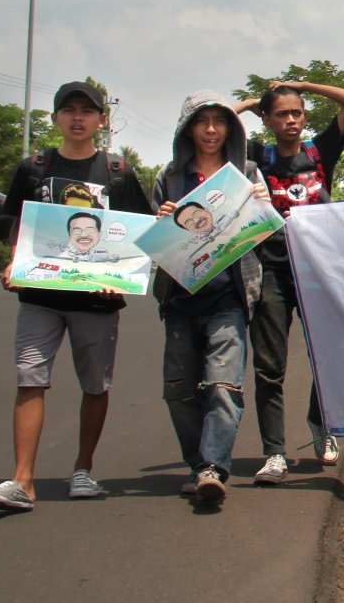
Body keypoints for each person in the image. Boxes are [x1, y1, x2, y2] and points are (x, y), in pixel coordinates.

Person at [0, 81, 151, 512]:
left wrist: (122, 277)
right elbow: (18, 223)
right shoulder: (34, 167)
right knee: (29, 378)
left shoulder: (117, 171)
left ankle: (83, 470)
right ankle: (22, 481)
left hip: (97, 300)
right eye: (68, 110)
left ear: (100, 120)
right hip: (40, 295)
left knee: (95, 385)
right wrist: (14, 266)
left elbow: (136, 231)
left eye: (86, 111)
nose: (77, 118)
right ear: (55, 118)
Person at [235, 79, 344, 484]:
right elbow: (216, 123)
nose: (291, 120)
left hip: (319, 268)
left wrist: (300, 84)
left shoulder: (319, 151)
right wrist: (256, 101)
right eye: (282, 114)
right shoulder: (255, 156)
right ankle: (274, 453)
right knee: (270, 366)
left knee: (327, 355)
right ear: (268, 121)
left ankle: (321, 424)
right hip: (270, 269)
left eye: (297, 112)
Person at [153, 91, 268, 506]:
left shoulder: (248, 173)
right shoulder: (169, 177)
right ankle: (197, 462)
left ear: (231, 130)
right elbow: (154, 242)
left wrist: (262, 208)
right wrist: (161, 220)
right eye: (202, 122)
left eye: (219, 122)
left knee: (223, 384)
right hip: (180, 299)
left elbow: (264, 231)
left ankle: (213, 468)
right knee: (178, 390)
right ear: (188, 129)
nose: (211, 131)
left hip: (229, 297)